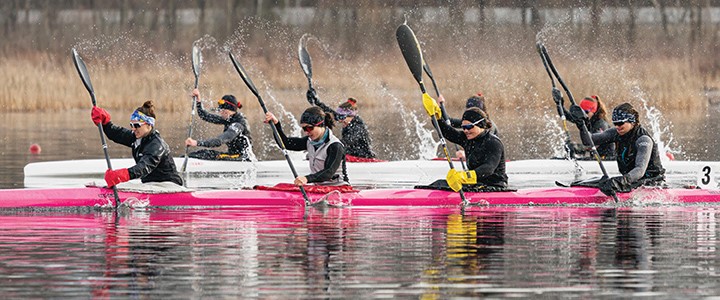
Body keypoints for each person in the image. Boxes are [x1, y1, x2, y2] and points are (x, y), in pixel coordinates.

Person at [573, 102, 665, 195]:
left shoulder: (643, 140)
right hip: (631, 181)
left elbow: (640, 170)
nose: (617, 126)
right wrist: (581, 125)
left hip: (651, 183)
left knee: (607, 183)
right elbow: (589, 141)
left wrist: (620, 181)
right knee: (589, 182)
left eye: (620, 123)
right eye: (615, 123)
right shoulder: (615, 133)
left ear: (632, 121)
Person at [91, 101, 183, 187]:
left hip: (169, 186)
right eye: (132, 125)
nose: (133, 129)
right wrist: (105, 123)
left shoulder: (157, 145)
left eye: (137, 125)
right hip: (151, 185)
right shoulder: (137, 137)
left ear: (149, 125)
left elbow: (143, 167)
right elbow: (117, 134)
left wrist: (120, 175)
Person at [422, 103, 508, 191]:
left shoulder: (494, 143)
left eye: (469, 127)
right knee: (439, 183)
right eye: (463, 127)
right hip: (476, 184)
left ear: (480, 124)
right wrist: (436, 117)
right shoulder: (467, 139)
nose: (466, 130)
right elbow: (448, 132)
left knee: (443, 186)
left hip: (494, 185)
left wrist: (464, 176)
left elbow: (488, 168)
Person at [264, 106, 349, 186]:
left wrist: (306, 179)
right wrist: (276, 124)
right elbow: (285, 143)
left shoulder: (335, 146)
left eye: (309, 128)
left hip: (339, 188)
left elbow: (328, 172)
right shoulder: (309, 141)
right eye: (304, 129)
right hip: (319, 188)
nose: (306, 132)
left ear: (321, 124)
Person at [306, 89, 377, 160]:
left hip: (363, 157)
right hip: (351, 154)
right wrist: (316, 101)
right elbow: (329, 111)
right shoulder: (346, 119)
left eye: (342, 117)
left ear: (351, 116)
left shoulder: (357, 126)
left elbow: (346, 142)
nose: (340, 120)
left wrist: (323, 145)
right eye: (339, 117)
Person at [185, 89, 253, 161]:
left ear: (227, 111)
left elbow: (219, 141)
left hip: (242, 158)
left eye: (221, 110)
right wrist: (198, 100)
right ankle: (183, 159)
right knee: (202, 153)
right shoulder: (229, 118)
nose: (220, 113)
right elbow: (205, 116)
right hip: (233, 155)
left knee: (207, 154)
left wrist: (196, 143)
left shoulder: (238, 124)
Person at [564, 95, 615, 159]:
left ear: (593, 111)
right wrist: (560, 104)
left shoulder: (601, 124)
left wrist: (576, 147)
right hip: (596, 157)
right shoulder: (586, 119)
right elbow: (567, 116)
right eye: (582, 112)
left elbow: (594, 142)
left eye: (586, 112)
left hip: (607, 159)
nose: (584, 115)